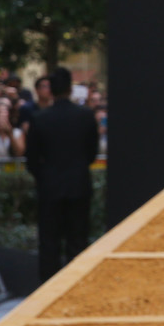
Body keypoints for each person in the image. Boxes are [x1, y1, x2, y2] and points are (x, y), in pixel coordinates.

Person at [25, 67, 100, 281]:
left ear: (51, 90)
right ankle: (77, 284)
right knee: (78, 240)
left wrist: (44, 177)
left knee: (49, 243)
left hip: (50, 187)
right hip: (78, 185)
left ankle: (48, 288)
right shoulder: (85, 116)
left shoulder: (40, 118)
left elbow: (31, 159)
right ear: (69, 88)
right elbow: (92, 153)